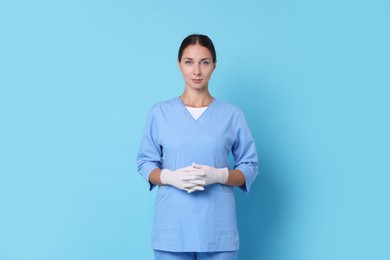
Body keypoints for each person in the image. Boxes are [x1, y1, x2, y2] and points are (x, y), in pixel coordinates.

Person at [137, 34, 258, 260]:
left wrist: (220, 175)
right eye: (189, 62)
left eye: (204, 62)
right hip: (172, 230)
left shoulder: (232, 115)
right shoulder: (160, 113)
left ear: (214, 66)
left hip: (217, 230)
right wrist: (168, 176)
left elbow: (249, 167)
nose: (197, 71)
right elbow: (145, 163)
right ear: (179, 64)